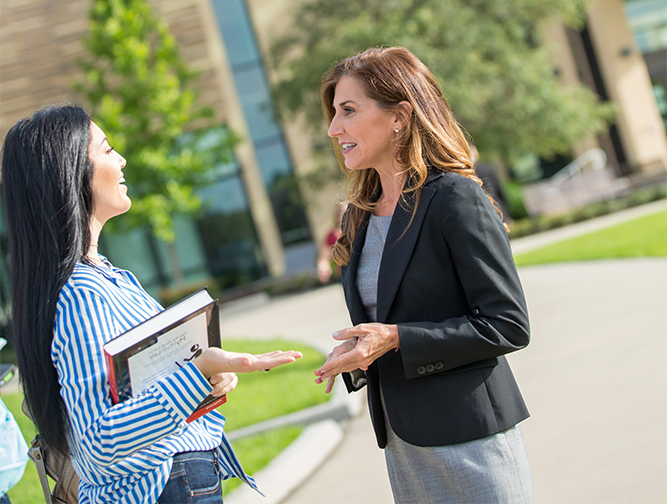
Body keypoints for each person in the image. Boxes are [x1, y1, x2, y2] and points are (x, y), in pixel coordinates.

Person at [1, 104, 301, 504]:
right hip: (162, 486)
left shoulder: (106, 275)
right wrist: (196, 376)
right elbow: (99, 442)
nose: (122, 160)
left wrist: (208, 382)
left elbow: (138, 392)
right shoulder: (81, 294)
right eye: (107, 150)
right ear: (69, 171)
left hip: (179, 479)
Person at [314, 47, 534, 504]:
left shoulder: (454, 198)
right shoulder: (359, 218)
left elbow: (507, 325)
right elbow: (391, 316)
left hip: (469, 438)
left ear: (399, 116)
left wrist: (395, 338)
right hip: (403, 441)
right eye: (334, 114)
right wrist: (362, 350)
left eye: (348, 111)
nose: (335, 129)